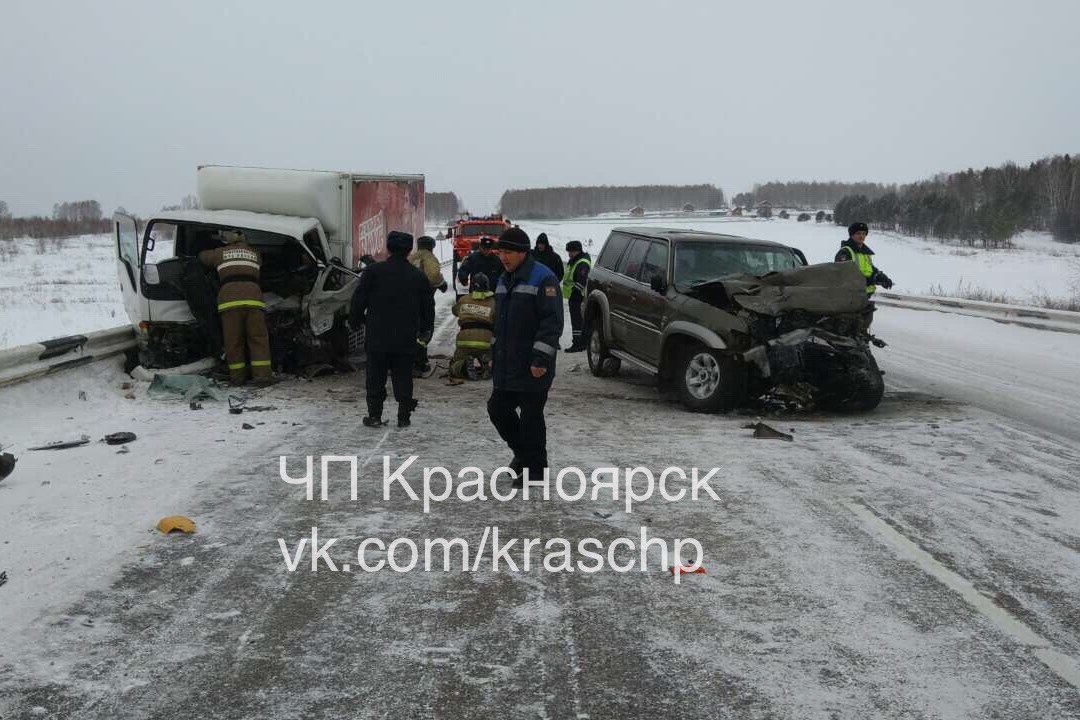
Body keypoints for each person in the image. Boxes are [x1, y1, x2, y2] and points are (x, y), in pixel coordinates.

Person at [487, 226, 564, 485]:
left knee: (531, 417)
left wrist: (540, 359)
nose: (503, 257)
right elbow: (500, 322)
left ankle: (536, 471)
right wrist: (493, 353)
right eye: (500, 252)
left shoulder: (544, 279)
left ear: (522, 253)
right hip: (508, 363)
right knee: (498, 409)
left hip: (533, 364)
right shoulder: (503, 279)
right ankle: (522, 455)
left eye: (508, 252)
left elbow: (551, 323)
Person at [349, 231, 435, 428]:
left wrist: (355, 321)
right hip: (405, 338)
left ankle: (374, 415)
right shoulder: (418, 277)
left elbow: (358, 299)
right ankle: (404, 417)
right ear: (409, 250)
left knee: (375, 377)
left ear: (388, 248)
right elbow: (428, 308)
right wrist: (425, 330)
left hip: (377, 336)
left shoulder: (373, 272)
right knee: (403, 376)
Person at [198, 230, 273, 386]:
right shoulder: (255, 253)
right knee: (258, 339)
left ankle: (238, 378)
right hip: (254, 300)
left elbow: (201, 257)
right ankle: (262, 377)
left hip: (229, 302)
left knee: (233, 342)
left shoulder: (219, 253)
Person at [409, 235, 448, 375]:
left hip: (409, 301)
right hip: (424, 300)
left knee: (412, 330)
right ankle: (419, 362)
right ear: (432, 246)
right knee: (425, 331)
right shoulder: (429, 257)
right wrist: (442, 284)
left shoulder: (411, 257)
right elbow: (433, 275)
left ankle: (410, 360)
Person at [447, 273, 496, 383]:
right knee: (488, 355)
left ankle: (464, 366)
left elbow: (454, 311)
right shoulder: (493, 302)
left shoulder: (463, 299)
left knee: (455, 365)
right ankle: (487, 364)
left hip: (465, 339)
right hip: (485, 340)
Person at [835, 222, 894, 294]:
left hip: (865, 295)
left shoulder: (865, 253)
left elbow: (870, 269)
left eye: (864, 233)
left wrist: (880, 277)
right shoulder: (845, 252)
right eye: (858, 233)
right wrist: (870, 280)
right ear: (851, 235)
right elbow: (844, 276)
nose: (861, 236)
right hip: (851, 296)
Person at [562, 240, 592, 352]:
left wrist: (575, 292)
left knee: (577, 321)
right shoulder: (575, 261)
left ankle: (578, 343)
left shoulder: (582, 263)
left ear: (577, 251)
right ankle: (580, 342)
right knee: (578, 320)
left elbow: (581, 281)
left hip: (578, 297)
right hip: (575, 296)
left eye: (571, 251)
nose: (569, 254)